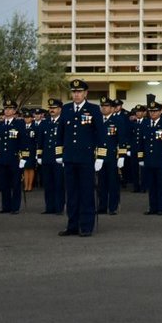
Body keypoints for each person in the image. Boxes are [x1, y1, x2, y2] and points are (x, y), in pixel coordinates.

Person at [56, 80, 107, 236]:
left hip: (86, 159)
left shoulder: (93, 110)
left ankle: (85, 226)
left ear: (85, 93)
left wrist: (100, 156)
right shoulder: (66, 109)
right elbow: (60, 133)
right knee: (71, 194)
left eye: (79, 92)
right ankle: (72, 225)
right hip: (70, 158)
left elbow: (101, 133)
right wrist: (59, 154)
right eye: (74, 92)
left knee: (86, 193)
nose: (76, 94)